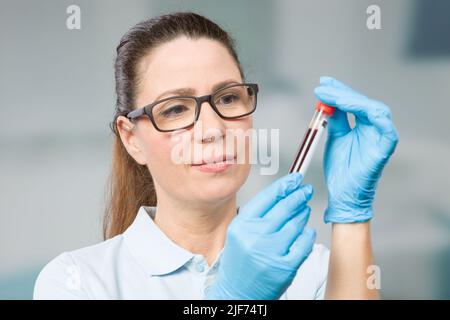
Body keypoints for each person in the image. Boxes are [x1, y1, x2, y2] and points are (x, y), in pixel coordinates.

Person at [33, 12, 398, 300]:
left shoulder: (317, 270)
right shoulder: (77, 282)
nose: (213, 128)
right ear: (132, 140)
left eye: (227, 98)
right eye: (175, 109)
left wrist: (351, 217)